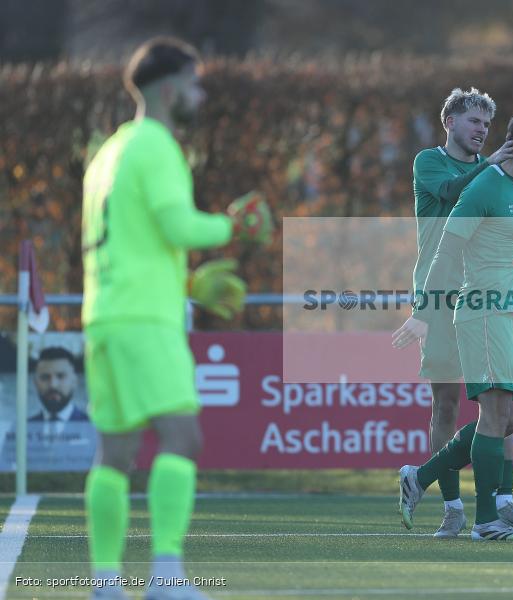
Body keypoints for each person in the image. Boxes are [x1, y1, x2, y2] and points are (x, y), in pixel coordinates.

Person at [81, 36, 272, 600]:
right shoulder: (158, 145)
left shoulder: (110, 151)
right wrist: (231, 228)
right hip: (144, 320)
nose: (200, 91)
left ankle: (106, 584)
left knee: (114, 451)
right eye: (194, 81)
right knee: (182, 436)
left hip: (106, 315)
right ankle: (165, 577)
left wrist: (184, 282)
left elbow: (135, 239)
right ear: (169, 89)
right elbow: (178, 227)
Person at [394, 111, 513, 541]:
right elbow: (447, 249)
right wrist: (424, 311)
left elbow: (499, 234)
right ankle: (485, 520)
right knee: (486, 411)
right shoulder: (483, 181)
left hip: (510, 313)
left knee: (508, 421)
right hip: (480, 312)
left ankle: (423, 476)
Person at [29, 347, 88, 422]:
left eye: (61, 376)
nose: (53, 385)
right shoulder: (23, 428)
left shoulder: (93, 427)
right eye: (45, 377)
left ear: (75, 381)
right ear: (35, 382)